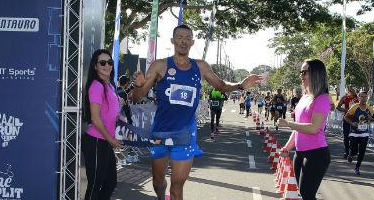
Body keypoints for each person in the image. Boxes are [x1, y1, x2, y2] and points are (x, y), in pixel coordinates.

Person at [130, 24, 262, 200]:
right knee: (158, 182)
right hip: (160, 131)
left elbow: (221, 85)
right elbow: (137, 98)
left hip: (185, 132)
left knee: (177, 185)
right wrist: (138, 86)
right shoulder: (159, 66)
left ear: (192, 42)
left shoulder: (200, 67)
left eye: (187, 38)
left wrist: (240, 85)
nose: (183, 41)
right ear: (172, 41)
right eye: (179, 37)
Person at [278, 59, 332, 200]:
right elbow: (299, 127)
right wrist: (287, 147)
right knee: (304, 193)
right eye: (300, 72)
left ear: (316, 74)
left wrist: (289, 124)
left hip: (317, 154)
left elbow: (314, 128)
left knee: (307, 194)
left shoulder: (323, 99)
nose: (301, 76)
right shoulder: (304, 98)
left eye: (304, 72)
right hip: (300, 153)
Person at [82, 49, 122, 200]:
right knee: (95, 184)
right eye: (102, 63)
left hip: (105, 142)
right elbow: (96, 119)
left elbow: (110, 112)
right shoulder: (96, 86)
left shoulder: (110, 85)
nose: (107, 65)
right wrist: (111, 140)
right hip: (96, 141)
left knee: (110, 183)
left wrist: (120, 117)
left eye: (110, 62)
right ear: (95, 66)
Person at [343, 89, 374, 175]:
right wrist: (352, 123)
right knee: (354, 151)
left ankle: (357, 167)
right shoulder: (354, 107)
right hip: (354, 133)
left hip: (364, 133)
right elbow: (346, 117)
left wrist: (369, 118)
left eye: (365, 97)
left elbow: (373, 120)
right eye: (362, 97)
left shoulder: (369, 108)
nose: (364, 99)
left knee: (362, 151)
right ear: (358, 97)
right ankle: (351, 154)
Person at [336, 87, 358, 158]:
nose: (352, 92)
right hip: (346, 119)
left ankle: (352, 151)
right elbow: (338, 107)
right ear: (348, 91)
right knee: (346, 136)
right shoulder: (345, 98)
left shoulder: (357, 98)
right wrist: (345, 110)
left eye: (353, 90)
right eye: (350, 91)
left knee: (354, 136)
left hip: (355, 120)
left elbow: (362, 106)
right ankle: (347, 151)